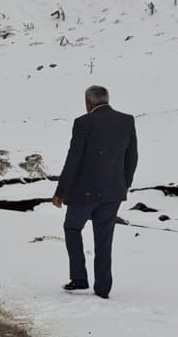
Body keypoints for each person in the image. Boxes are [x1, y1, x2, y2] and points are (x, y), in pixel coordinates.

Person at [51, 85, 138, 299]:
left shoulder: (83, 123)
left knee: (72, 228)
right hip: (113, 192)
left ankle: (79, 278)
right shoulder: (126, 121)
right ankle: (103, 288)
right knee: (104, 239)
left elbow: (74, 158)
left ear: (89, 103)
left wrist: (60, 191)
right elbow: (132, 157)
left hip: (84, 192)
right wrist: (124, 184)